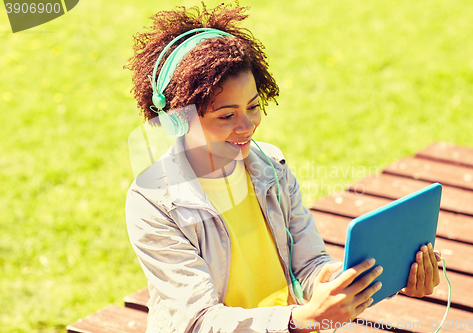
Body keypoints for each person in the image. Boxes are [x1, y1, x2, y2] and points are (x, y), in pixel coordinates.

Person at [124, 3, 441, 333]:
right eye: (226, 116)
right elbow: (200, 320)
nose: (247, 126)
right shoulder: (153, 203)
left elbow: (310, 266)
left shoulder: (270, 168)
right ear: (177, 120)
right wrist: (300, 319)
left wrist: (372, 278)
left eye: (253, 106)